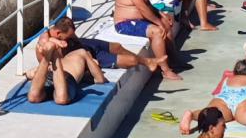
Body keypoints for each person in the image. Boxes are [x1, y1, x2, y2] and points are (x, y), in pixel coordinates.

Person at [25, 17, 153, 103]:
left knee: (33, 97)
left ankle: (50, 57)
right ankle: (53, 57)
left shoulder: (72, 47)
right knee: (61, 99)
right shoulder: (82, 53)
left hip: (52, 72)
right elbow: (100, 79)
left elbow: (31, 73)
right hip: (65, 75)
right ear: (58, 34)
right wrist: (93, 64)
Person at [113, 0, 183, 79]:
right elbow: (142, 8)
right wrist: (157, 22)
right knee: (157, 31)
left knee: (165, 24)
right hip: (125, 23)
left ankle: (174, 60)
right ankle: (165, 70)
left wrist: (161, 14)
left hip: (138, 20)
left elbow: (148, 4)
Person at [179, 59, 246, 138]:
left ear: (235, 71)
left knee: (209, 114)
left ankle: (192, 115)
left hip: (224, 98)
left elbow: (220, 92)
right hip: (244, 98)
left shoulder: (227, 79)